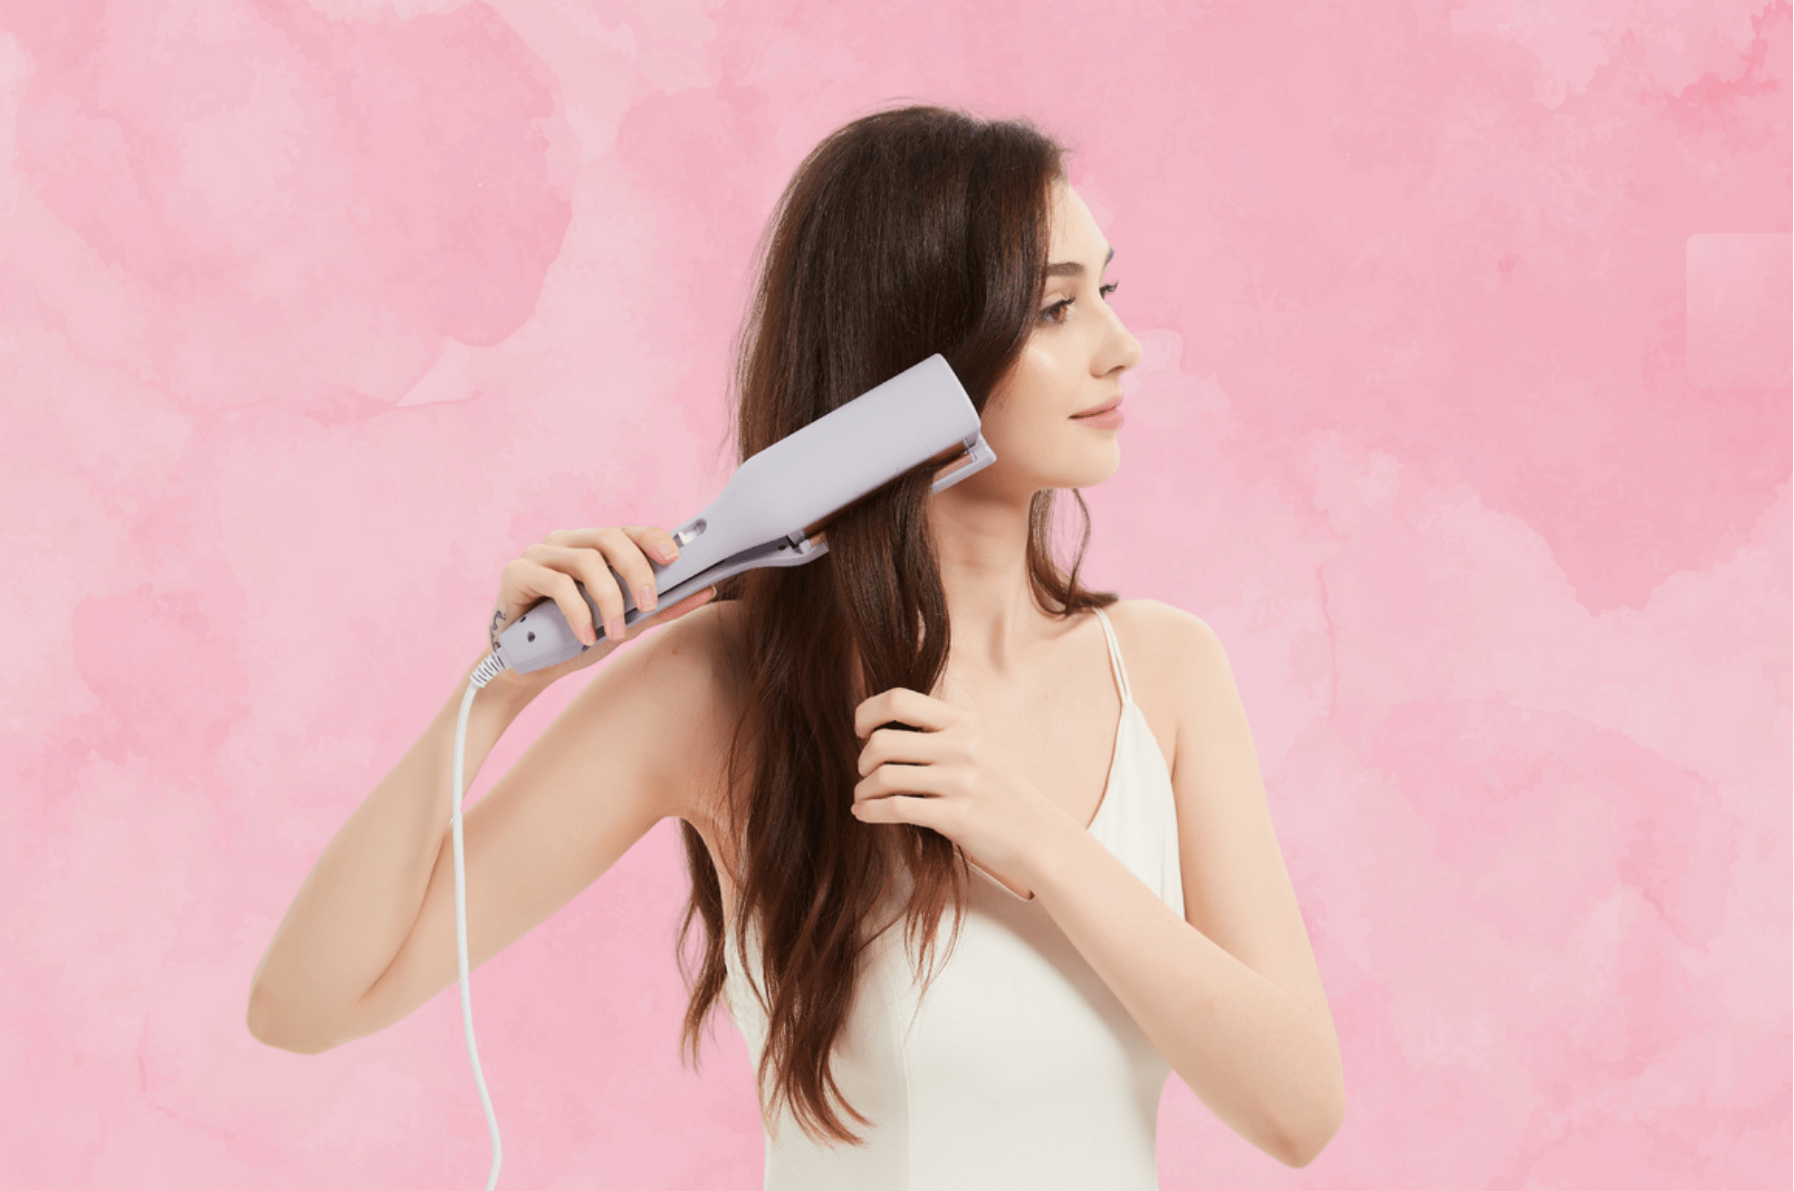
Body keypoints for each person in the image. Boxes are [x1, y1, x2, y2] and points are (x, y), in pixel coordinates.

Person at [247, 104, 1345, 1186]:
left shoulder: (1165, 672)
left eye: (1105, 293)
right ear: (917, 357)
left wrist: (1038, 843)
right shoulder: (717, 691)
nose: (1123, 347)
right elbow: (305, 1004)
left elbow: (1297, 1111)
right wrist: (491, 694)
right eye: (1056, 311)